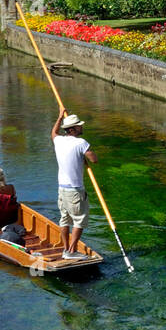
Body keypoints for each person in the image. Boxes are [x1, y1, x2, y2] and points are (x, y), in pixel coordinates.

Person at [52, 109, 97, 259]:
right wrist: (84, 156)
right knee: (79, 220)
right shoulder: (81, 143)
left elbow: (53, 133)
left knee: (64, 219)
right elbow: (94, 159)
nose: (81, 127)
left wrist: (59, 117)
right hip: (75, 189)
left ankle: (66, 249)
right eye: (79, 126)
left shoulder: (58, 141)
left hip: (62, 189)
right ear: (72, 129)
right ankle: (71, 252)